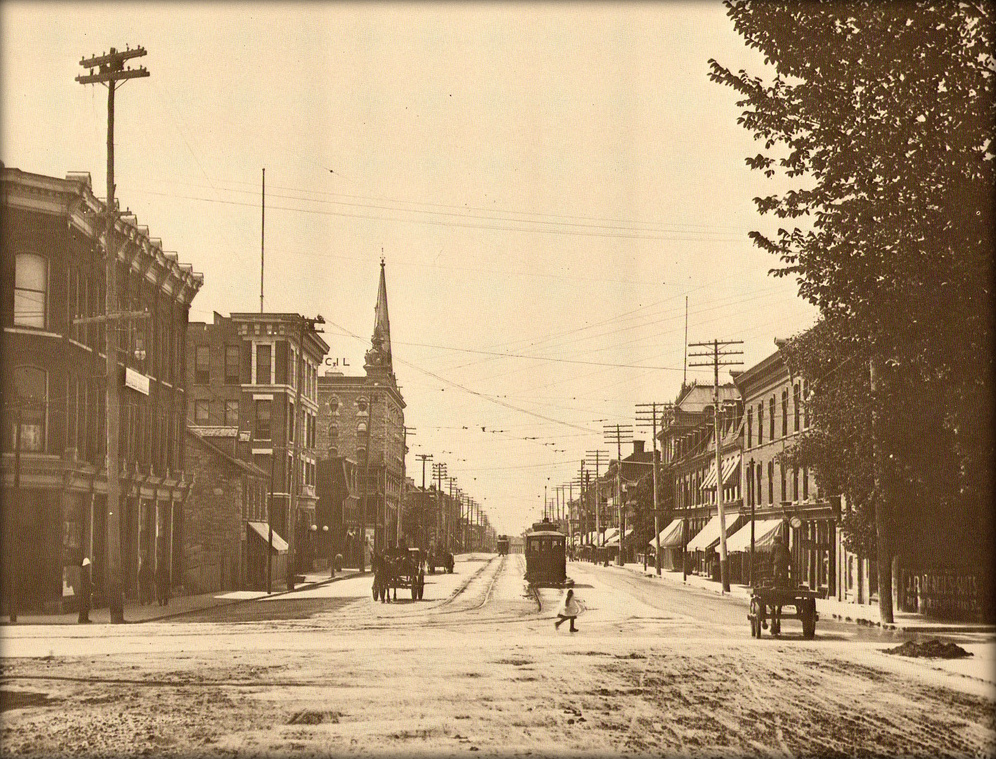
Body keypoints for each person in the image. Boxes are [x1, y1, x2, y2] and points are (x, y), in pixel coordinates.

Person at [78, 557, 92, 623]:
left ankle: (85, 618)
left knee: (86, 605)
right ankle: (82, 618)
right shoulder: (84, 572)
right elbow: (85, 582)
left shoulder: (84, 571)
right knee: (84, 605)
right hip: (84, 591)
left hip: (85, 591)